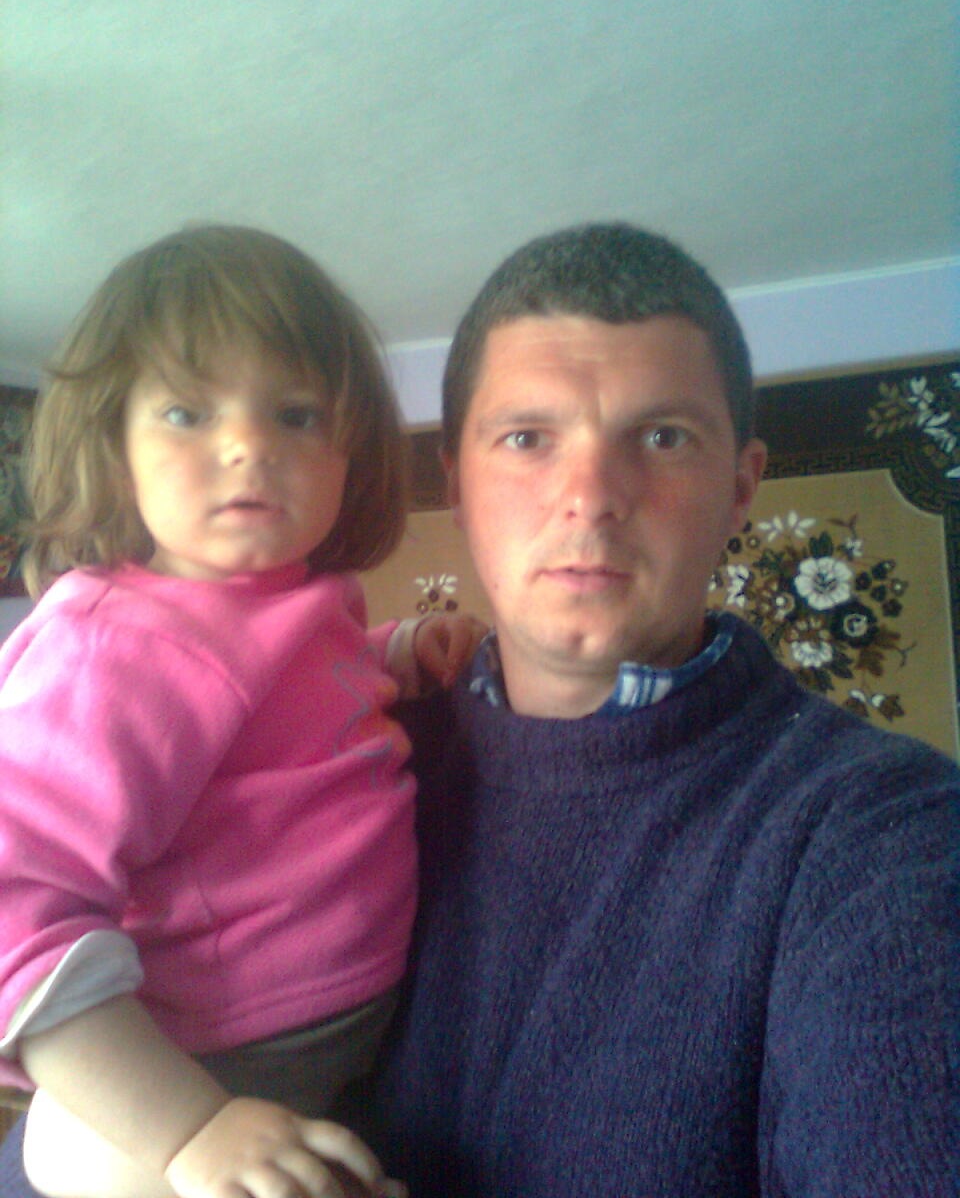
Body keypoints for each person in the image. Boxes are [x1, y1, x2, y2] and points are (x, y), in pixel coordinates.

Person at [358, 222, 958, 1195]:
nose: (590, 496)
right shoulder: (346, 765)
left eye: (662, 436)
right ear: (458, 488)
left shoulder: (882, 833)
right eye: (527, 438)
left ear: (740, 487)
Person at [0, 224, 483, 1198]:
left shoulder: (301, 601)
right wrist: (191, 1129)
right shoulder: (111, 646)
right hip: (204, 1062)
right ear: (113, 445)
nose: (249, 446)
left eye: (297, 415)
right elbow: (16, 904)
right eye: (187, 410)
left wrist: (398, 652)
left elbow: (285, 701)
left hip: (336, 1035)